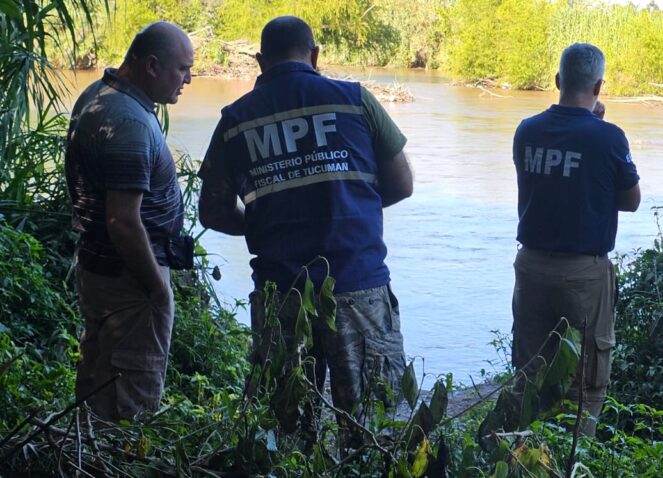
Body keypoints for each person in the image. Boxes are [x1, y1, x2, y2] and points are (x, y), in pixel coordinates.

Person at [197, 16, 413, 430]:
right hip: (358, 286)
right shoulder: (355, 100)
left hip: (281, 292)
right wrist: (351, 205)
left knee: (286, 429)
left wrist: (263, 223)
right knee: (374, 422)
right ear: (315, 55)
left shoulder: (235, 120)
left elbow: (213, 211)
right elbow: (402, 184)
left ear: (260, 61)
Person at [65, 22, 194, 422]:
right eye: (182, 69)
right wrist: (158, 290)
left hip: (102, 270)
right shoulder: (130, 124)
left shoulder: (98, 94)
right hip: (130, 284)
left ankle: (89, 450)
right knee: (130, 404)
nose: (189, 79)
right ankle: (115, 453)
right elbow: (122, 220)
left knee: (99, 378)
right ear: (152, 66)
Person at [510, 43, 641, 436]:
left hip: (531, 268)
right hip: (583, 275)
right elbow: (631, 201)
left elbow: (551, 180)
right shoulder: (609, 138)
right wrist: (598, 127)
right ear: (598, 86)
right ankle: (574, 455)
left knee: (529, 374)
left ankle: (521, 452)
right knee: (585, 382)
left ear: (557, 80)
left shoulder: (526, 130)